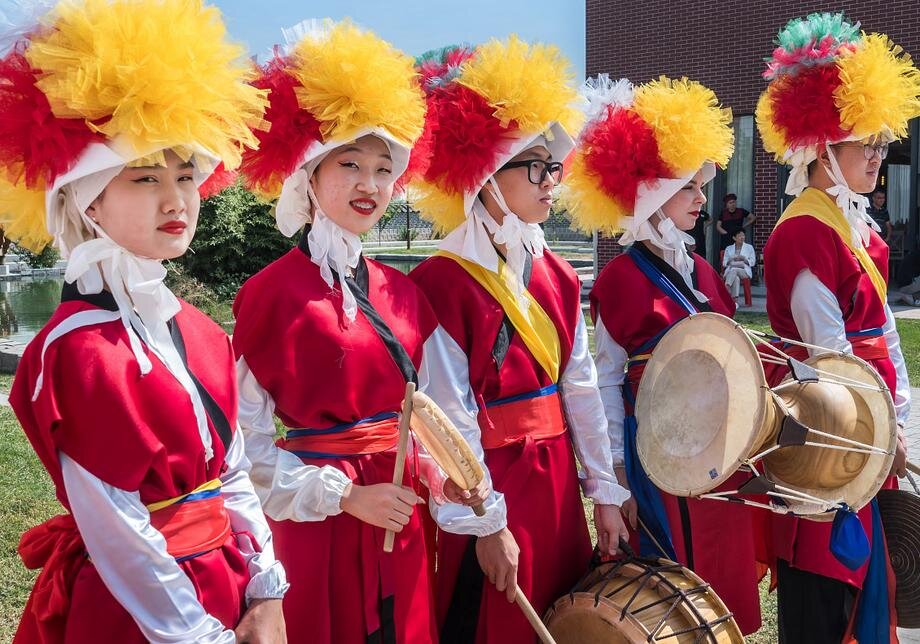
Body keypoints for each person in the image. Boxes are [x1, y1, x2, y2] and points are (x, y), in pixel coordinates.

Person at [0, 1, 289, 641]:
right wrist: (195, 634)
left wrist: (267, 588)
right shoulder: (75, 349)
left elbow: (233, 471)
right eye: (145, 177)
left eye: (186, 175)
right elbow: (116, 525)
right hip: (140, 611)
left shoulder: (203, 333)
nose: (176, 198)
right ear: (87, 199)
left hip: (229, 583)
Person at [233, 22, 491, 644]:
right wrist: (344, 497)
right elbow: (242, 448)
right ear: (308, 176)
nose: (370, 185)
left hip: (401, 519)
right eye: (349, 163)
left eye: (383, 169)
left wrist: (446, 479)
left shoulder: (404, 293)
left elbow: (435, 418)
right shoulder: (269, 294)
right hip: (318, 525)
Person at [408, 45, 631, 643]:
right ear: (487, 176)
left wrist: (604, 495)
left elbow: (579, 387)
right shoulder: (439, 280)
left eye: (554, 167)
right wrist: (484, 523)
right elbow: (446, 417)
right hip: (493, 485)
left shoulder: (555, 272)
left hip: (556, 485)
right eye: (535, 166)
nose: (552, 180)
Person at [563, 74, 766, 635]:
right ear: (651, 195)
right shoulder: (618, 279)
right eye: (689, 187)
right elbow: (604, 382)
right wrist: (619, 478)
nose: (704, 198)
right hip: (655, 454)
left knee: (722, 571)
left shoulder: (702, 271)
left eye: (703, 186)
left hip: (716, 451)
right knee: (668, 583)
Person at [756, 12, 915, 642]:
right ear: (824, 148)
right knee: (824, 600)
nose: (879, 157)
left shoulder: (858, 232)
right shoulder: (801, 231)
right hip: (826, 436)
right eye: (865, 145)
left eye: (882, 144)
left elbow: (887, 338)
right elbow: (828, 356)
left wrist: (899, 419)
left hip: (872, 430)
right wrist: (881, 432)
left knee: (873, 594)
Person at [722, 230, 756, 304]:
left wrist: (743, 258)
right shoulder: (729, 248)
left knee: (734, 270)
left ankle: (726, 287)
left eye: (743, 235)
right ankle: (735, 302)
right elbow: (724, 263)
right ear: (734, 238)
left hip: (744, 271)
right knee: (736, 278)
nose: (742, 237)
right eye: (740, 236)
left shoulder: (749, 247)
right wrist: (731, 259)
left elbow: (753, 262)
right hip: (731, 270)